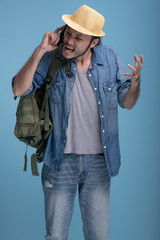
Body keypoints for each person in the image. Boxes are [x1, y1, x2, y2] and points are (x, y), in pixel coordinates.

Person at [12, 5, 144, 240]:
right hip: (59, 162)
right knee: (55, 236)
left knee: (99, 236)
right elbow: (18, 88)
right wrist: (41, 49)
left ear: (93, 42)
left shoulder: (110, 58)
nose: (69, 41)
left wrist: (135, 84)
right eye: (68, 33)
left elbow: (128, 102)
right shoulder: (52, 57)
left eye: (78, 37)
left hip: (98, 164)